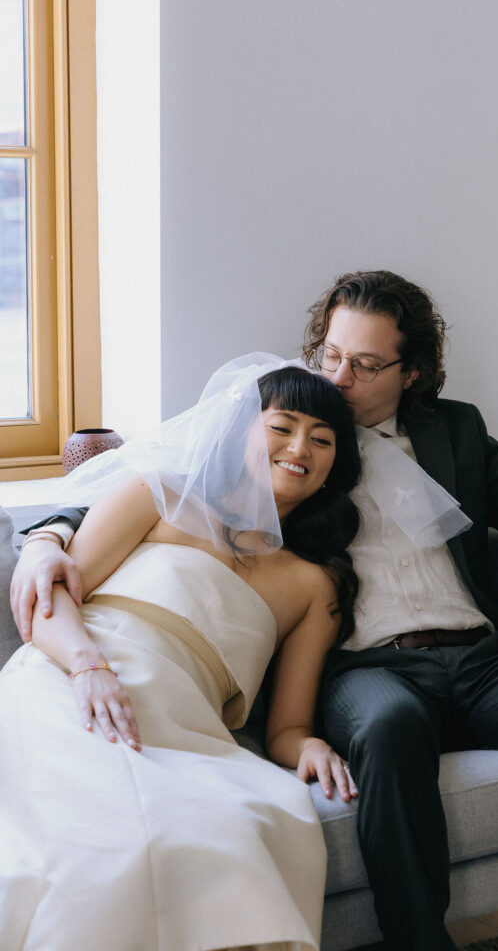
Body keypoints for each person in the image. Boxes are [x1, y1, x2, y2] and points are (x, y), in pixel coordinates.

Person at [12, 272, 498, 951]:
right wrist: (48, 536)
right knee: (389, 728)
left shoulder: (455, 431)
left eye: (363, 365)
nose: (338, 377)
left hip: (483, 658)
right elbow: (173, 481)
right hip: (368, 668)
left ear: (411, 372)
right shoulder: (289, 443)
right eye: (330, 355)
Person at [1, 357, 363, 951]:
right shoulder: (160, 495)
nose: (300, 447)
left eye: (321, 440)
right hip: (68, 681)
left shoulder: (314, 587)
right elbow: (52, 600)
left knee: (236, 829)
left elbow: (286, 729)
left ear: (333, 467)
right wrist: (88, 668)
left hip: (184, 725)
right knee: (115, 848)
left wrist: (313, 746)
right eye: (282, 425)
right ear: (242, 429)